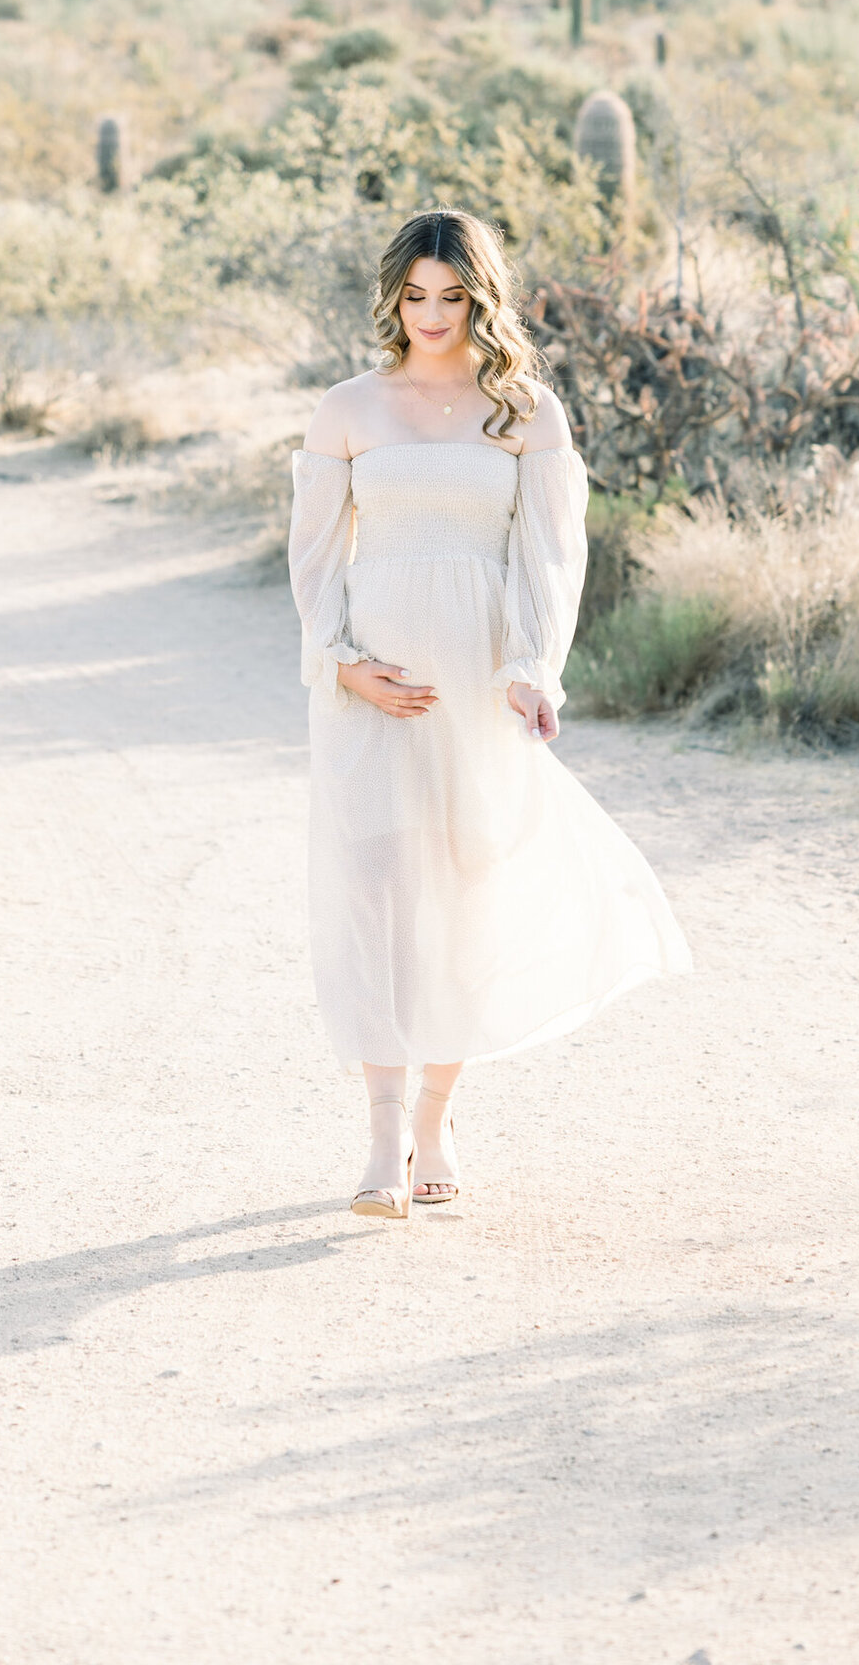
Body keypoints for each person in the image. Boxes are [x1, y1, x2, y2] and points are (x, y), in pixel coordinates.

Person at [289, 208, 691, 1219]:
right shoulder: (347, 409)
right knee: (375, 893)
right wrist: (340, 665)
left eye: (452, 296)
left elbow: (550, 559)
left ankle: (434, 1118)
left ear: (482, 298)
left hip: (475, 684)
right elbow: (314, 561)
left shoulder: (524, 412)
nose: (431, 315)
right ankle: (381, 1140)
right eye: (414, 296)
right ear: (392, 298)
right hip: (374, 688)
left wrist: (530, 670)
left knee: (462, 897)